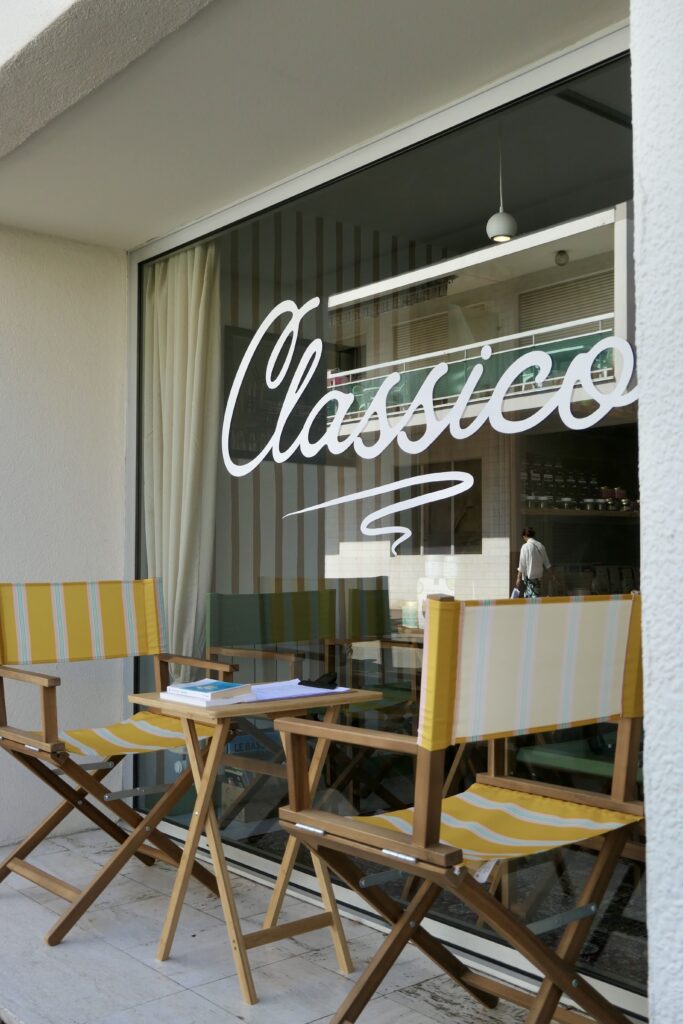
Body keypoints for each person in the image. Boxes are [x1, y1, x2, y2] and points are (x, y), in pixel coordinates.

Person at [515, 526, 551, 598]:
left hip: (529, 578)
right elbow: (547, 564)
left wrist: (518, 578)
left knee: (531, 599)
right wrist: (552, 575)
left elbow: (521, 564)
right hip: (538, 578)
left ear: (524, 536)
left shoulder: (525, 547)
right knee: (535, 595)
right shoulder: (541, 546)